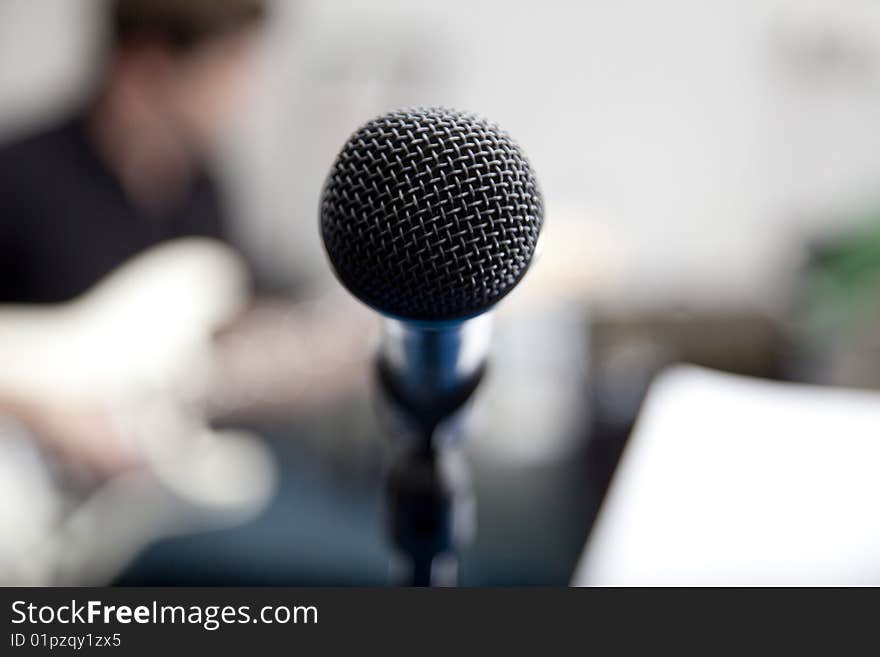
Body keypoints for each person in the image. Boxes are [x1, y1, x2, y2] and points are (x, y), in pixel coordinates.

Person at [0, 0, 371, 475]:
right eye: (231, 65)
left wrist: (332, 350)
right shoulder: (17, 179)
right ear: (148, 67)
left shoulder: (204, 188)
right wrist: (49, 416)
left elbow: (222, 328)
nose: (250, 91)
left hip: (137, 496)